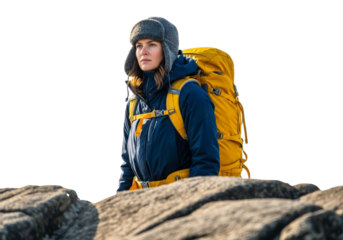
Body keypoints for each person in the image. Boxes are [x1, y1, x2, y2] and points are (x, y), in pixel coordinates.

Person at [117, 14, 220, 192]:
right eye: (139, 45)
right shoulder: (134, 103)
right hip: (142, 201)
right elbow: (127, 165)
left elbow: (206, 160)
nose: (143, 51)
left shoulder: (190, 94)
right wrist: (117, 203)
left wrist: (190, 207)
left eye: (152, 44)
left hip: (180, 199)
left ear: (167, 49)